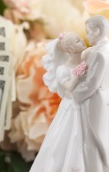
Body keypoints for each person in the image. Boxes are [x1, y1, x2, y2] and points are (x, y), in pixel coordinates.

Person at [30, 32, 87, 172]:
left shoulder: (87, 59)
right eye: (78, 40)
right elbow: (68, 87)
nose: (83, 41)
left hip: (86, 104)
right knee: (72, 137)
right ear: (71, 49)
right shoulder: (63, 69)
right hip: (73, 108)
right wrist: (76, 75)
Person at [72, 15, 109, 172]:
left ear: (97, 30)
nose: (86, 37)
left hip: (94, 100)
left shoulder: (100, 54)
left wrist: (73, 93)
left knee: (91, 139)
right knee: (96, 137)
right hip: (100, 98)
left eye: (88, 32)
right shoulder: (101, 51)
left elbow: (91, 84)